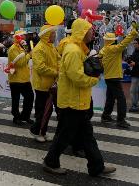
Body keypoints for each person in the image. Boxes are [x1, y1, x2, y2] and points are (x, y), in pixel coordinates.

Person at [43, 18, 116, 176]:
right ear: (82, 32)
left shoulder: (79, 49)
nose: (92, 32)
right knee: (65, 135)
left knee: (87, 136)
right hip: (71, 102)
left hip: (78, 101)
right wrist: (93, 80)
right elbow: (76, 76)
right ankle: (50, 161)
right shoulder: (73, 51)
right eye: (89, 30)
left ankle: (97, 166)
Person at [99, 27, 138, 128]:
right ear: (113, 40)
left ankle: (106, 115)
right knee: (121, 99)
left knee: (110, 98)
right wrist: (132, 34)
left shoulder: (103, 49)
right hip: (114, 76)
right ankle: (121, 120)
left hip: (108, 76)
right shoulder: (113, 49)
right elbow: (123, 44)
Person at [30, 25, 59, 142]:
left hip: (50, 84)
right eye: (53, 34)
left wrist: (60, 69)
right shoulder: (39, 48)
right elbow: (41, 68)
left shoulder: (51, 47)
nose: (55, 36)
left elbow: (58, 59)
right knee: (42, 110)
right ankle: (36, 131)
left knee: (47, 110)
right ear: (47, 35)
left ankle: (42, 131)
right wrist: (56, 72)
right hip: (42, 85)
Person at [7, 30, 34, 126]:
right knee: (16, 99)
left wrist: (28, 53)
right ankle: (16, 117)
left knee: (30, 97)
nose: (24, 37)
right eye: (22, 36)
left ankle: (25, 116)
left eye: (24, 36)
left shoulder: (23, 47)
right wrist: (29, 55)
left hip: (25, 78)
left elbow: (24, 60)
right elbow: (20, 63)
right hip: (15, 78)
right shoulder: (13, 49)